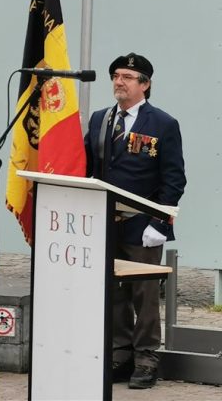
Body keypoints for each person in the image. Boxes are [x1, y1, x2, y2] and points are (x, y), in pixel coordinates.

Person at [84, 53, 186, 389]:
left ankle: (146, 359)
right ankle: (120, 353)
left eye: (127, 76)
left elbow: (173, 179)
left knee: (143, 294)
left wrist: (160, 224)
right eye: (115, 75)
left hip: (142, 225)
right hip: (105, 222)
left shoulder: (162, 124)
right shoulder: (100, 119)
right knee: (112, 292)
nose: (118, 81)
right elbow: (88, 168)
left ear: (145, 84)